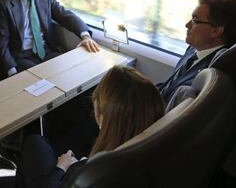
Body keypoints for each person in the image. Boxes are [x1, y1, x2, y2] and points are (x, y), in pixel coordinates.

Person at [17, 66, 165, 188]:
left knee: (34, 143)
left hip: (60, 179)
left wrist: (62, 168)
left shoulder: (97, 172)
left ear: (103, 118)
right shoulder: (156, 153)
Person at [158, 0, 236, 108]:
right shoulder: (193, 49)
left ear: (215, 31)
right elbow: (170, 86)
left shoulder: (210, 74)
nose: (187, 25)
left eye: (195, 20)